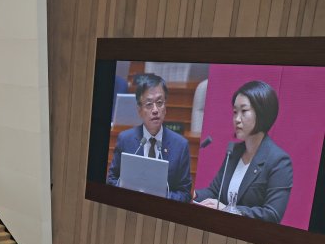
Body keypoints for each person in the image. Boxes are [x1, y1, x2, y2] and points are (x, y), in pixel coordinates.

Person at [194, 81, 292, 223]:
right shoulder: (233, 152)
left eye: (244, 111)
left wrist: (228, 209)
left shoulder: (279, 161)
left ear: (262, 113)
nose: (237, 119)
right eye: (235, 112)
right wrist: (193, 194)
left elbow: (272, 214)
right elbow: (214, 192)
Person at [106, 73, 192, 202]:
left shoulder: (180, 146)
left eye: (160, 103)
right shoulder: (125, 139)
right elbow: (112, 180)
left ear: (165, 108)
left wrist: (161, 196)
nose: (155, 110)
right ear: (139, 110)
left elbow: (185, 194)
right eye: (149, 104)